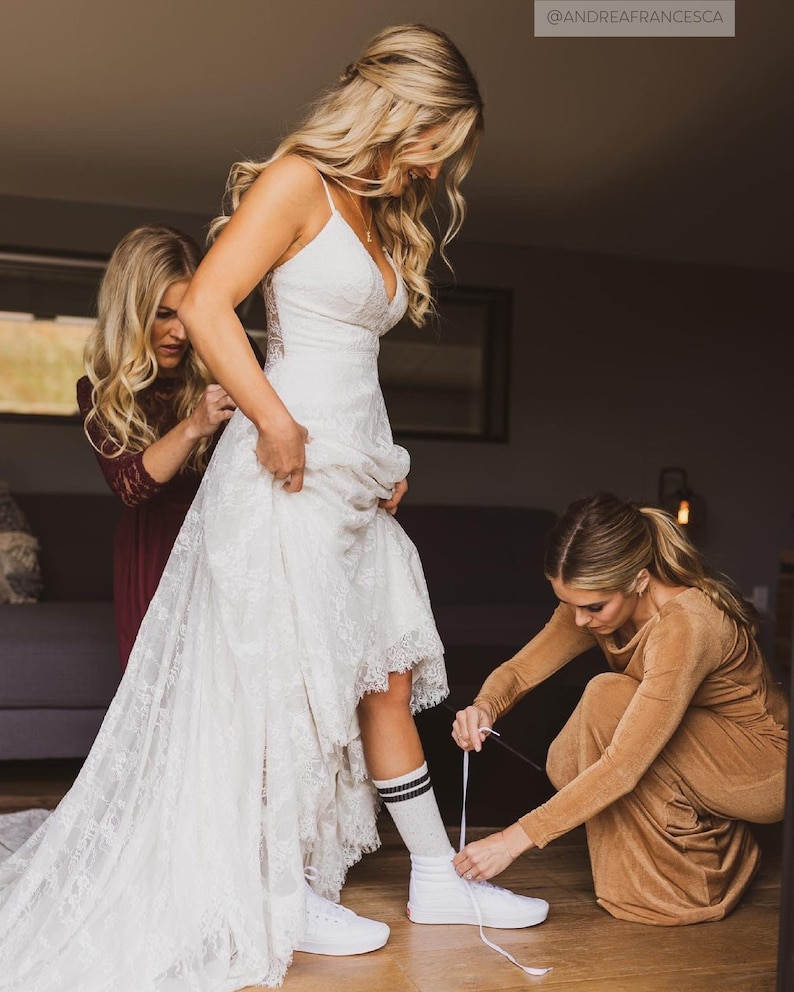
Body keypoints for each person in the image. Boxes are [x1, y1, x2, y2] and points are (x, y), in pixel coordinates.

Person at [0, 24, 546, 992]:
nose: (435, 160)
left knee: (381, 674)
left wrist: (387, 459)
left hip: (354, 487)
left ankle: (434, 874)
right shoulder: (299, 179)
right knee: (282, 694)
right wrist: (274, 422)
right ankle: (281, 891)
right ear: (394, 108)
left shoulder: (380, 212)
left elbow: (356, 362)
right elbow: (210, 301)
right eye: (433, 135)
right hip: (286, 480)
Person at [452, 492, 789, 926]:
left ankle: (713, 867)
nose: (579, 621)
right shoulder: (593, 607)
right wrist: (483, 707)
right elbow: (520, 671)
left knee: (607, 699)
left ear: (640, 580)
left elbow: (625, 765)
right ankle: (712, 837)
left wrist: (512, 840)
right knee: (572, 755)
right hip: (703, 750)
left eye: (593, 607)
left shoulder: (686, 624)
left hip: (764, 767)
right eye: (570, 604)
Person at [77, 224, 250, 668]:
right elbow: (128, 486)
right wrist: (195, 424)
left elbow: (291, 426)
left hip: (230, 544)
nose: (179, 332)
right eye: (162, 314)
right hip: (153, 554)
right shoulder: (100, 391)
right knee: (160, 701)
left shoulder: (229, 360)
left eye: (188, 314)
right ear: (131, 312)